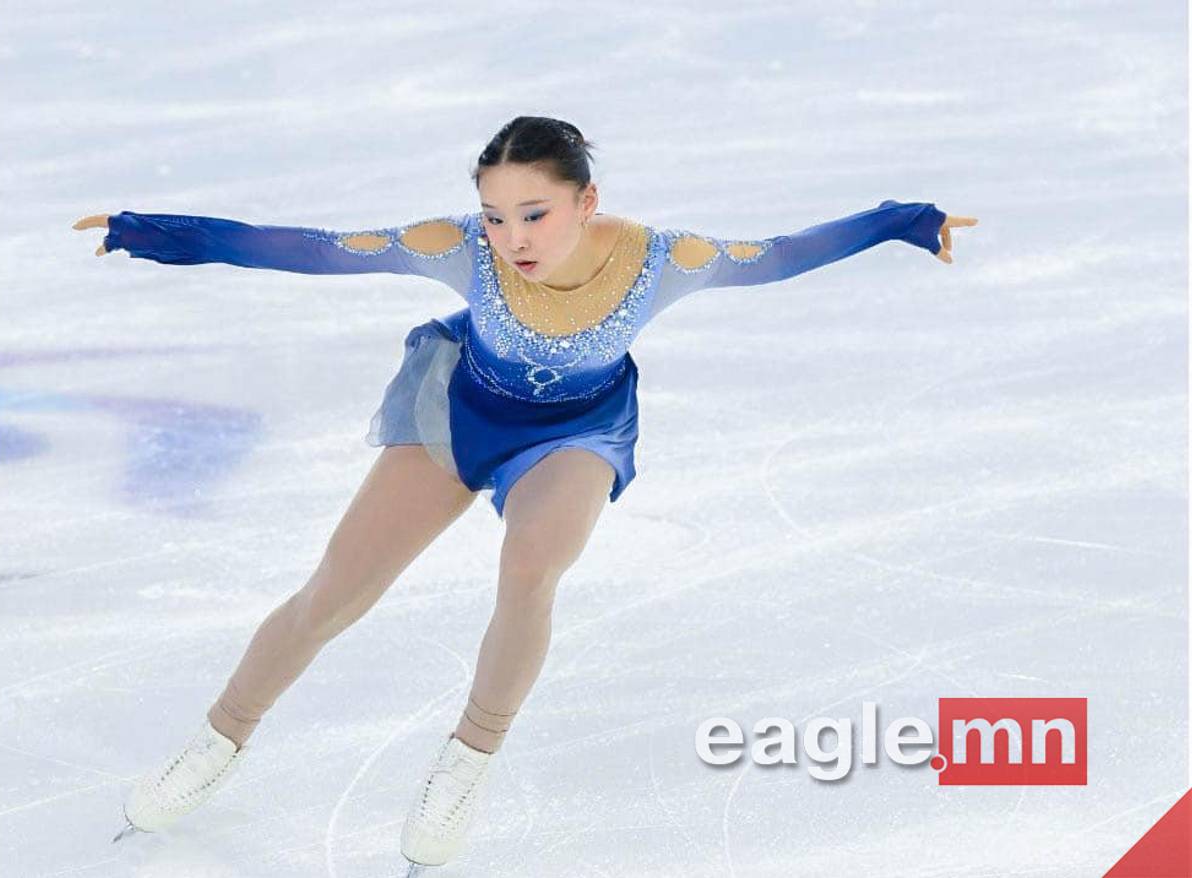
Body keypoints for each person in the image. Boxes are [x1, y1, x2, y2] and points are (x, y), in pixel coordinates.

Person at [74, 114, 976, 868]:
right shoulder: (460, 249)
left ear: (588, 201)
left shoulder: (667, 260)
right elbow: (312, 250)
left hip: (576, 431)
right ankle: (219, 740)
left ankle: (467, 762)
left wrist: (902, 221)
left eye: (535, 214)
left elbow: (780, 255)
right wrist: (156, 232)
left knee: (531, 568)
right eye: (495, 215)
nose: (513, 239)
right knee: (335, 593)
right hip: (458, 411)